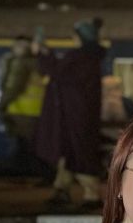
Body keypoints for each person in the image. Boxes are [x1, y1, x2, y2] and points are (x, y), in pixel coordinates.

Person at [33, 17, 107, 211]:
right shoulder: (91, 58)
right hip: (81, 112)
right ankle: (61, 189)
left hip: (74, 114)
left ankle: (91, 194)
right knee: (69, 151)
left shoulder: (79, 57)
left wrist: (43, 54)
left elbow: (57, 72)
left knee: (77, 152)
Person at [0, 34, 46, 176]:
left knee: (22, 145)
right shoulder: (38, 63)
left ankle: (23, 173)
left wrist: (0, 106)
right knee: (31, 145)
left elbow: (14, 88)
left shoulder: (20, 63)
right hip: (36, 111)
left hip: (21, 111)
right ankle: (35, 173)